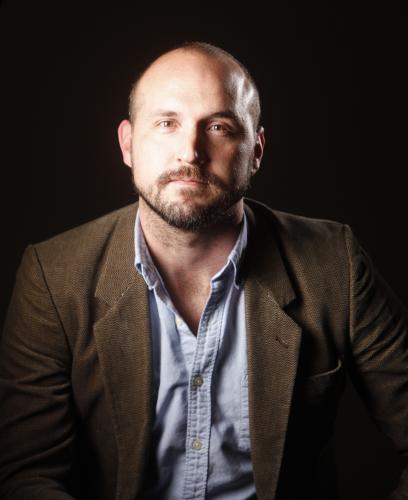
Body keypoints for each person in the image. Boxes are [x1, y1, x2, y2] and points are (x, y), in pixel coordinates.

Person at [0, 41, 407, 500]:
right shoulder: (54, 276)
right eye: (167, 123)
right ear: (128, 144)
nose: (190, 152)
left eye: (218, 126)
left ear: (255, 149)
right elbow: (28, 475)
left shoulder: (333, 263)